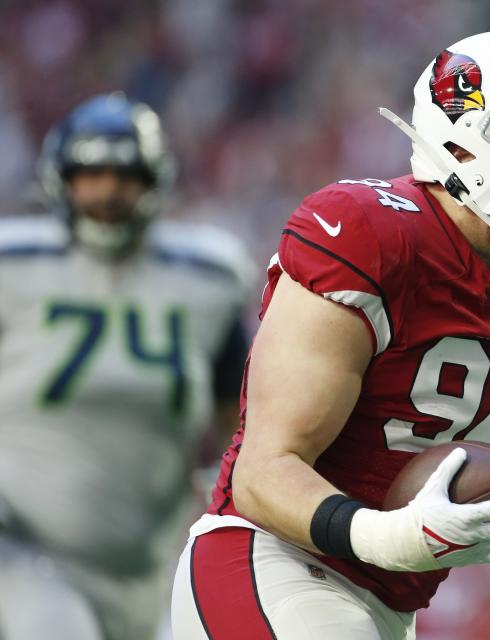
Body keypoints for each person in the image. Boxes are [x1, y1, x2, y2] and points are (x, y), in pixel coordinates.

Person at [172, 30, 490, 639]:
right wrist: (386, 536)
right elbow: (262, 472)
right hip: (268, 560)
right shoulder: (371, 239)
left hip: (387, 605)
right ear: (467, 147)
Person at [0, 93, 254, 640]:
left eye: (124, 176)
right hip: (19, 544)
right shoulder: (12, 267)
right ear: (60, 180)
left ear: (155, 180)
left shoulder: (207, 281)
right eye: (91, 175)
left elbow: (242, 423)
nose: (108, 193)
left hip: (141, 563)